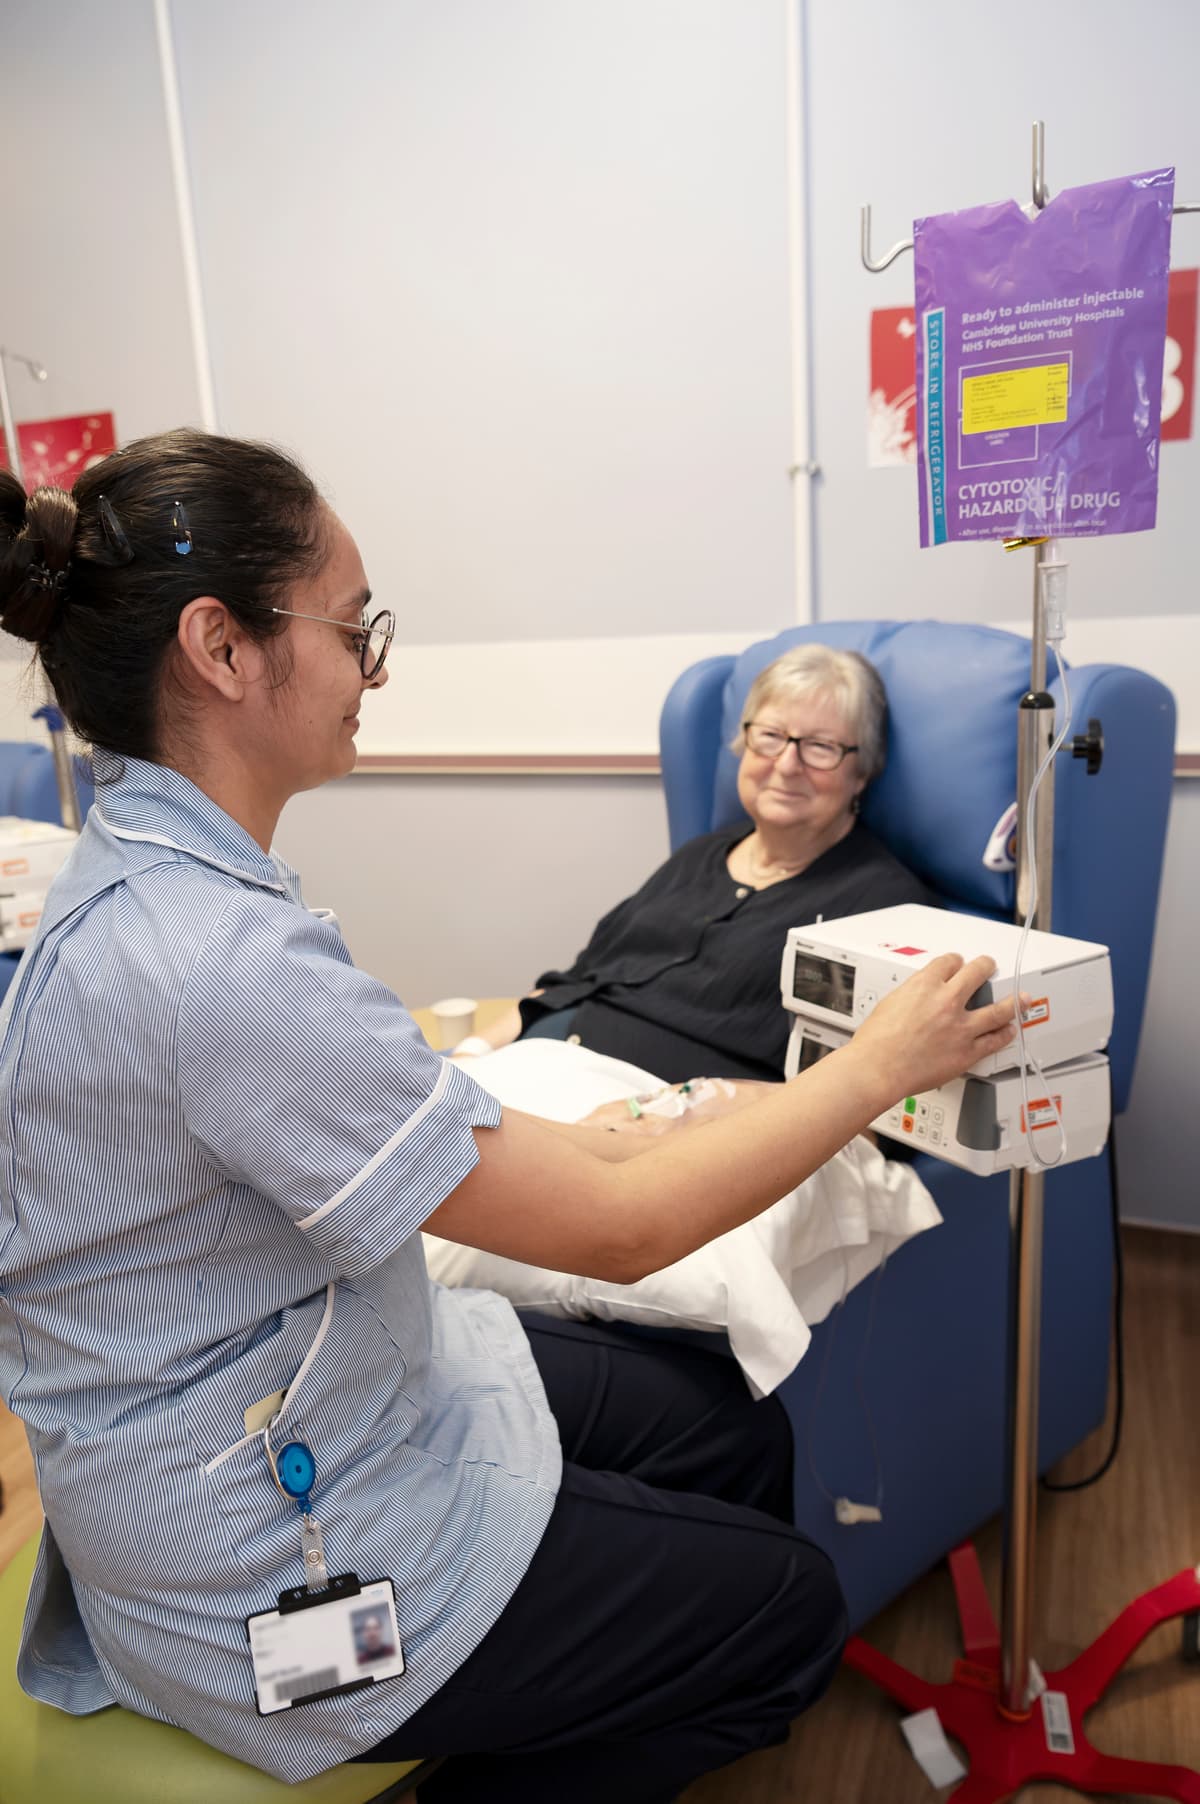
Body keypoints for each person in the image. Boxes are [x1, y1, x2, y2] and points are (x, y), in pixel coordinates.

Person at [0, 430, 1015, 1802]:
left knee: (737, 1427)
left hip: (267, 1406)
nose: (374, 667)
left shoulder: (150, 874)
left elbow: (348, 1116)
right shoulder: (219, 960)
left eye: (824, 747)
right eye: (357, 629)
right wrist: (878, 1062)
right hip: (260, 1560)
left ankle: (605, 1655)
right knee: (787, 1619)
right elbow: (617, 1234)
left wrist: (599, 1127)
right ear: (222, 649)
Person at [469, 644, 931, 1083]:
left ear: (862, 771)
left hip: (665, 1124)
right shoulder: (700, 855)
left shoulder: (884, 908)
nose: (787, 764)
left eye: (820, 747)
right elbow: (572, 984)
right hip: (542, 1064)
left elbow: (853, 1088)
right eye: (770, 736)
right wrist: (470, 1057)